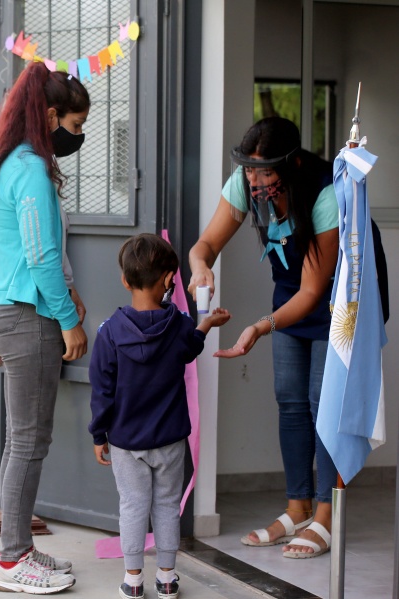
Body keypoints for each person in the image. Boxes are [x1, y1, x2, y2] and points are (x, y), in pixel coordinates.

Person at [187, 117, 339, 559]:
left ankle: (328, 514)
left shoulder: (325, 193)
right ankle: (298, 508)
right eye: (249, 170)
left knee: (323, 405)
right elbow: (204, 245)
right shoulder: (245, 182)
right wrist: (200, 266)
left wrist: (259, 326)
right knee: (290, 400)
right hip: (291, 295)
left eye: (265, 172)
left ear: (292, 164)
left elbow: (313, 292)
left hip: (336, 302)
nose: (254, 182)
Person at [0, 62, 90, 595]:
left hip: (13, 312)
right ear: (50, 115)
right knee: (27, 441)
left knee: (22, 439)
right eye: (75, 125)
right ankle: (11, 560)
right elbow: (40, 257)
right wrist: (69, 321)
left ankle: (19, 547)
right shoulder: (32, 170)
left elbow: (31, 250)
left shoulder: (11, 162)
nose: (78, 136)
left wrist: (67, 295)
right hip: (28, 317)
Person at [89, 234, 230, 599]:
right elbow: (189, 348)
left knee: (133, 505)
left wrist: (99, 434)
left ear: (125, 280)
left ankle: (133, 580)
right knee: (167, 506)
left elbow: (101, 390)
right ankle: (167, 578)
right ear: (170, 279)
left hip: (126, 442)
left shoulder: (109, 333)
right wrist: (205, 324)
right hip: (170, 439)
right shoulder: (179, 324)